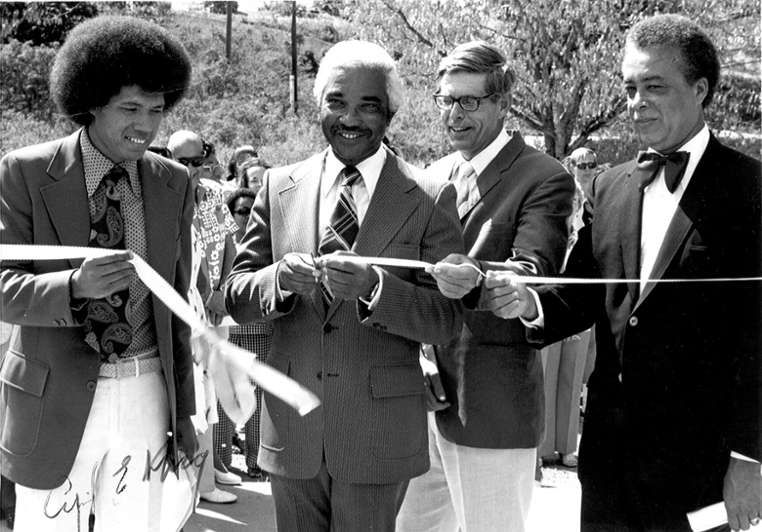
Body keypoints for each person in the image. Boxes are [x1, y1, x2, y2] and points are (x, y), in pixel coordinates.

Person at [486, 14, 761, 532]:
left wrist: (751, 460)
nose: (637, 102)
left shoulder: (751, 191)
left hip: (702, 471)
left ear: (700, 89)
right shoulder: (608, 188)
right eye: (629, 87)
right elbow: (580, 297)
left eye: (654, 86)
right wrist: (528, 301)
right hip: (608, 465)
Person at [225, 39, 464, 532]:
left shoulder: (429, 196)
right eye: (337, 102)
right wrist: (279, 281)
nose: (349, 118)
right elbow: (235, 295)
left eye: (368, 105)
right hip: (293, 428)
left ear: (390, 114)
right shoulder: (277, 186)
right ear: (318, 104)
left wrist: (376, 288)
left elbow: (446, 319)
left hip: (378, 434)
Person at [0, 16, 198, 532]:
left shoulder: (173, 181)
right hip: (53, 402)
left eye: (157, 110)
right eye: (130, 108)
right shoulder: (23, 172)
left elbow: (177, 305)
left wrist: (185, 414)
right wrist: (72, 288)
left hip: (146, 395)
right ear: (89, 102)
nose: (147, 126)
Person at [396, 40, 574, 532]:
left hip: (492, 408)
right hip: (425, 399)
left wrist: (479, 282)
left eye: (468, 101)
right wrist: (421, 357)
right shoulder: (431, 176)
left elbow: (531, 269)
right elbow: (411, 283)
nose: (452, 114)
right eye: (445, 100)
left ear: (504, 103)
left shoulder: (544, 177)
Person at [168, 130, 240, 504]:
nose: (192, 169)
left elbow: (230, 245)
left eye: (198, 161)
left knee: (216, 389)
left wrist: (221, 294)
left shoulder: (213, 195)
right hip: (187, 309)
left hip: (214, 304)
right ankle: (202, 479)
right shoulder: (164, 193)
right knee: (195, 393)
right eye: (184, 162)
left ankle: (214, 467)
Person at [219, 187, 275, 480]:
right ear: (231, 214)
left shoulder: (266, 244)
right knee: (222, 398)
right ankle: (220, 463)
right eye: (242, 212)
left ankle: (257, 463)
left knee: (256, 402)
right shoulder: (221, 244)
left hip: (258, 332)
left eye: (254, 211)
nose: (248, 217)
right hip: (225, 332)